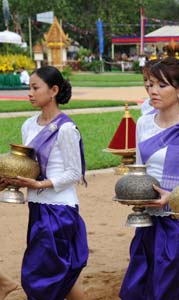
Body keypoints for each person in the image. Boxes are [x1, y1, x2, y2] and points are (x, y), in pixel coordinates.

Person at [119, 57, 179, 300]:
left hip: (178, 224)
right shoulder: (143, 123)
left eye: (162, 85)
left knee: (170, 290)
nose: (153, 91)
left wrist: (175, 197)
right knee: (137, 289)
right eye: (151, 84)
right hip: (147, 221)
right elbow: (139, 169)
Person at [2, 66, 89, 300]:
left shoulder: (67, 129)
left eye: (34, 87)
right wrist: (12, 181)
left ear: (53, 90)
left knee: (41, 277)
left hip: (59, 210)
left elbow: (74, 172)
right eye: (29, 87)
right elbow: (29, 167)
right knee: (58, 275)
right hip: (38, 208)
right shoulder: (28, 125)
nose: (29, 93)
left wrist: (40, 185)